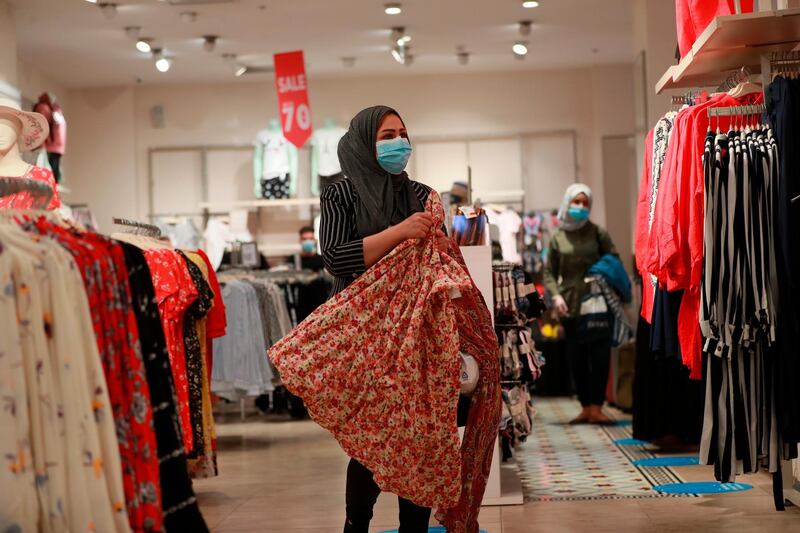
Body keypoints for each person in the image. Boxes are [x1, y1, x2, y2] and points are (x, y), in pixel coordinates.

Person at [319, 105, 449, 533]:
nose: (399, 143)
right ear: (363, 143)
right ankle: (357, 524)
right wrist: (399, 232)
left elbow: (439, 264)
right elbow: (337, 258)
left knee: (421, 438)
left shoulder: (424, 195)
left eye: (403, 133)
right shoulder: (340, 195)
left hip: (417, 333)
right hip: (364, 336)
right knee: (372, 438)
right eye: (387, 135)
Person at [543, 184, 618, 425]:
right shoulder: (557, 237)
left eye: (586, 203)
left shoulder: (598, 233)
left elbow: (613, 261)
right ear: (567, 203)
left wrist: (601, 272)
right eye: (577, 202)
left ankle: (597, 406)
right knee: (576, 357)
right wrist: (555, 295)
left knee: (599, 356)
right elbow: (548, 272)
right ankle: (585, 406)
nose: (581, 207)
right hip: (570, 304)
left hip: (597, 303)